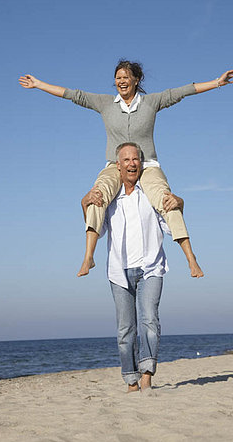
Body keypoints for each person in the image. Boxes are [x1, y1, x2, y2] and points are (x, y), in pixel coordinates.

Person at [19, 60, 233, 276]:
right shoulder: (105, 104)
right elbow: (73, 95)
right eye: (118, 78)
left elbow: (183, 91)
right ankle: (88, 257)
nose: (121, 81)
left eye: (125, 77)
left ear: (136, 80)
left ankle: (190, 257)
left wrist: (217, 82)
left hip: (147, 164)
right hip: (115, 166)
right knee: (97, 195)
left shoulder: (151, 102)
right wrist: (39, 84)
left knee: (167, 200)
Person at [81, 142, 202, 392]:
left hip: (151, 268)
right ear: (118, 166)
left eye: (135, 159)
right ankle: (131, 380)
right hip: (119, 271)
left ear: (141, 163)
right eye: (126, 160)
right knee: (125, 330)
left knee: (150, 322)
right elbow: (99, 230)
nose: (131, 163)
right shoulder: (112, 199)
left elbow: (170, 224)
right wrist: (84, 203)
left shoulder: (150, 194)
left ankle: (147, 375)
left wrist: (180, 201)